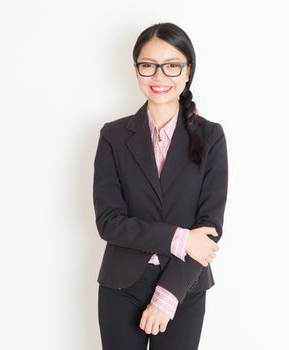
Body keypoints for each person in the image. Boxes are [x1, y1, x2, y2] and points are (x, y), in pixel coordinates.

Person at [92, 22, 228, 350]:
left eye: (172, 66)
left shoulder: (211, 137)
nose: (159, 76)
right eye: (148, 66)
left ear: (187, 71)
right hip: (121, 286)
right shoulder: (113, 136)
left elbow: (208, 232)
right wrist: (180, 238)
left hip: (184, 285)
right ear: (137, 70)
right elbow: (109, 222)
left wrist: (167, 298)